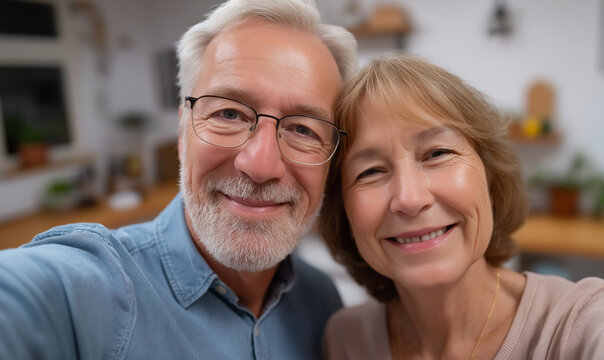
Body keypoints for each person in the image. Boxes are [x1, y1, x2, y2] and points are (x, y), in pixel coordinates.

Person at [0, 1, 357, 359]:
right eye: (228, 113)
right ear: (183, 130)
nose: (260, 165)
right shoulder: (97, 290)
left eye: (303, 129)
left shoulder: (323, 304)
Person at [319, 54, 604, 359]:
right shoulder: (346, 340)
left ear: (489, 175)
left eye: (437, 153)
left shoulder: (590, 323)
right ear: (342, 211)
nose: (410, 199)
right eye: (370, 171)